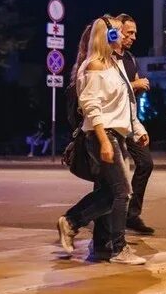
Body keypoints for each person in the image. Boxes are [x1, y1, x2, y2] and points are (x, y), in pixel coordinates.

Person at [56, 16, 150, 265]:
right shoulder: (94, 65)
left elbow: (126, 102)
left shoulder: (113, 65)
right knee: (123, 193)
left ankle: (71, 221)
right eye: (117, 32)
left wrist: (137, 129)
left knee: (111, 194)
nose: (121, 35)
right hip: (102, 135)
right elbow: (91, 107)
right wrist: (104, 140)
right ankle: (119, 249)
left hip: (117, 134)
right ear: (106, 35)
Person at [115, 14, 155, 235]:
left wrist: (139, 85)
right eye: (128, 32)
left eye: (135, 34)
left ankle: (132, 215)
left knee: (146, 163)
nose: (133, 37)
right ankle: (96, 221)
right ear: (116, 31)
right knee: (111, 176)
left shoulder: (129, 58)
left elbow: (130, 92)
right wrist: (135, 84)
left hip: (130, 121)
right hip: (112, 123)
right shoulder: (108, 58)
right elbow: (109, 89)